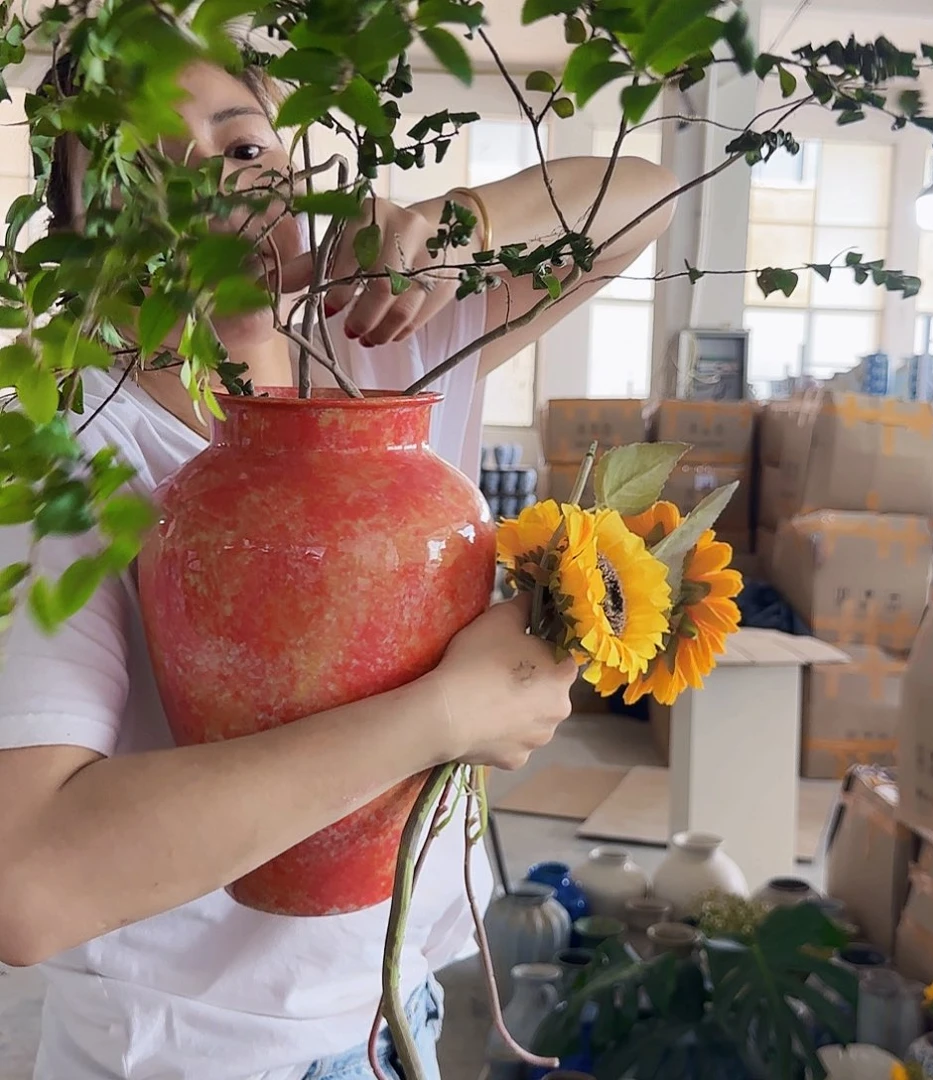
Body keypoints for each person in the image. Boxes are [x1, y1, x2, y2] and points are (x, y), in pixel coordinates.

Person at [0, 55, 678, 1080]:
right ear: (84, 239)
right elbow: (31, 884)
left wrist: (462, 227)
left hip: (397, 1004)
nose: (222, 187)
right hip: (200, 1053)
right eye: (158, 175)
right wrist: (451, 716)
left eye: (243, 145)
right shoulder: (65, 455)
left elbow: (647, 195)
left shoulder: (377, 351)